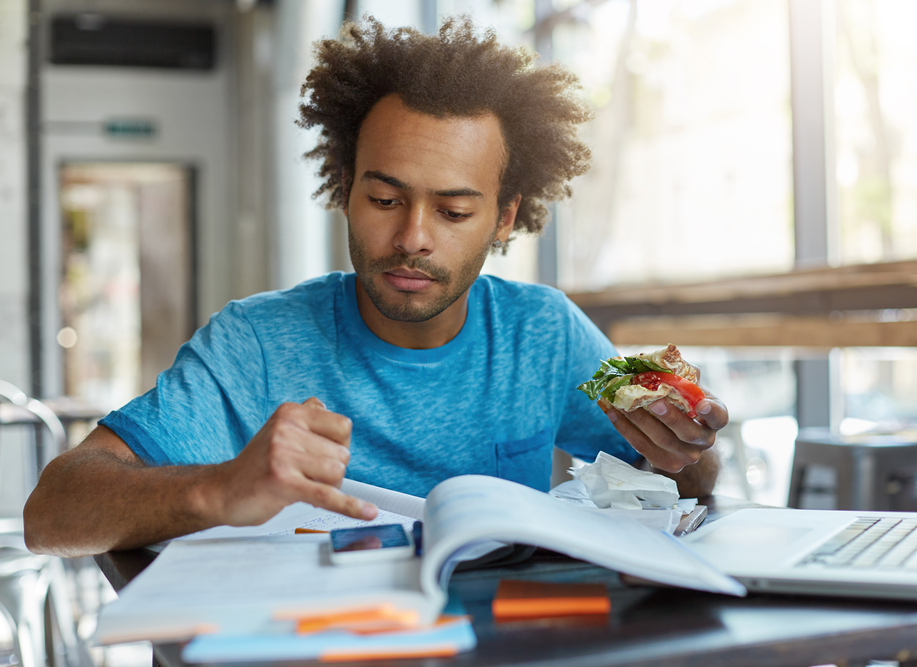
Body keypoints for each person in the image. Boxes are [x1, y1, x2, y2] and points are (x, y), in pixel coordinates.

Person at [23, 17, 727, 558]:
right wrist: (220, 487)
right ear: (345, 188)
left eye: (453, 211)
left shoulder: (545, 328)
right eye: (385, 199)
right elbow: (51, 510)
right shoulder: (255, 343)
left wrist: (689, 446)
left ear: (505, 216)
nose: (413, 236)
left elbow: (686, 471)